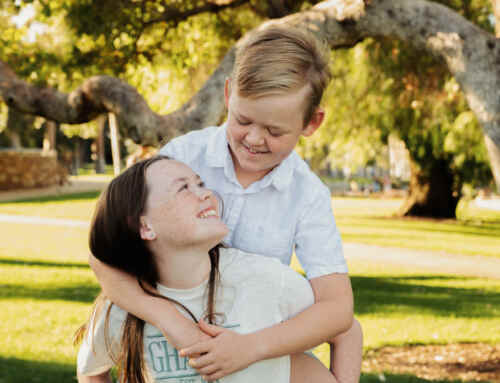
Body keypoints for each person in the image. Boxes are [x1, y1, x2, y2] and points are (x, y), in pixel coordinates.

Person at [89, 26, 363, 382]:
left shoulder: (306, 194)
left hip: (263, 362)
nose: (253, 139)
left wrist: (250, 348)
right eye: (243, 120)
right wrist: (171, 322)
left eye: (274, 131)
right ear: (229, 94)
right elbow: (103, 250)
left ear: (312, 123)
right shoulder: (181, 158)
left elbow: (338, 309)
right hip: (176, 359)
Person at [76, 156, 337, 383]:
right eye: (183, 189)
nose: (206, 193)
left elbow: (343, 328)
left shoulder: (263, 278)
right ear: (145, 227)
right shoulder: (121, 310)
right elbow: (91, 371)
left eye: (200, 183)